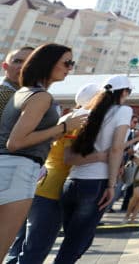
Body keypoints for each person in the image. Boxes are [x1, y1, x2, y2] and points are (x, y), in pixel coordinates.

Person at [0, 45, 86, 258]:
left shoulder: (25, 92)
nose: (69, 68)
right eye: (67, 62)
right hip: (18, 169)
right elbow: (16, 142)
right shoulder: (41, 96)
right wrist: (64, 127)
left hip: (13, 168)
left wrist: (58, 128)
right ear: (48, 62)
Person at [6, 82, 100, 264]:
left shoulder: (69, 117)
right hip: (52, 189)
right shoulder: (80, 121)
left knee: (22, 245)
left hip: (41, 182)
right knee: (36, 247)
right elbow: (69, 157)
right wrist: (104, 156)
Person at [53, 74, 133, 263]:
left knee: (75, 241)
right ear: (123, 92)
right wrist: (112, 185)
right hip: (96, 184)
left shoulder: (85, 114)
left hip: (72, 182)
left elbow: (69, 158)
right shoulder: (123, 111)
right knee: (74, 246)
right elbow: (116, 148)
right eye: (128, 91)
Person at [0, 47, 33, 115]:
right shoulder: (4, 95)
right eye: (18, 61)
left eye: (30, 62)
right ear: (5, 66)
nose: (24, 66)